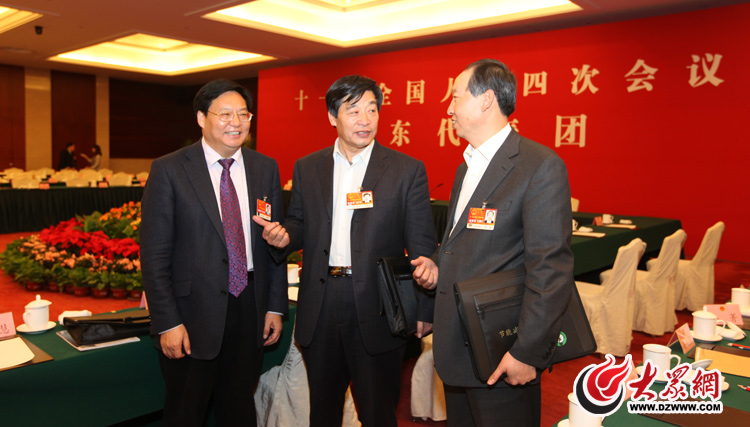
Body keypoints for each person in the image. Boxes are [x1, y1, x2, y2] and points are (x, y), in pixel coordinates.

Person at [254, 75, 438, 427]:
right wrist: (284, 237)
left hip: (378, 305)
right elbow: (299, 223)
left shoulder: (405, 170)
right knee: (322, 411)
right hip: (321, 304)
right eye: (353, 111)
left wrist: (425, 307)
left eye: (372, 110)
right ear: (331, 116)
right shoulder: (309, 167)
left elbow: (424, 247)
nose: (365, 120)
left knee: (378, 412)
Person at [411, 59, 574, 426]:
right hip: (458, 349)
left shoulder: (539, 165)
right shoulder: (466, 167)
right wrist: (437, 262)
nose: (449, 109)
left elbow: (550, 270)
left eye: (455, 97)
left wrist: (527, 352)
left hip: (503, 350)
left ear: (486, 100)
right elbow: (462, 240)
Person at [140, 79, 288, 426]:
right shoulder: (169, 169)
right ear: (201, 118)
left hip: (249, 308)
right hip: (191, 314)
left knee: (239, 410)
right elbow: (154, 255)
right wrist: (168, 322)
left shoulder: (264, 167)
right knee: (185, 413)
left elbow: (274, 244)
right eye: (225, 114)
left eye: (243, 114)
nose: (236, 122)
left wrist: (274, 305)